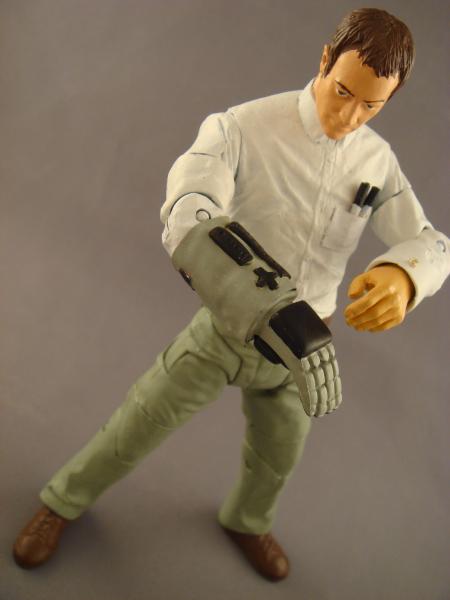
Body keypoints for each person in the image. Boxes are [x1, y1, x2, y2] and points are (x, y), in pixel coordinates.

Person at [13, 8, 449, 581]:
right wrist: (259, 296)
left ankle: (247, 520)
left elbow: (428, 239)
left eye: (372, 105)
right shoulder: (242, 128)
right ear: (324, 60)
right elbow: (189, 209)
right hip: (227, 330)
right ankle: (61, 502)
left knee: (279, 456)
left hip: (302, 351)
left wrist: (404, 276)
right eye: (343, 92)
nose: (350, 116)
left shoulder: (377, 161)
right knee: (139, 422)